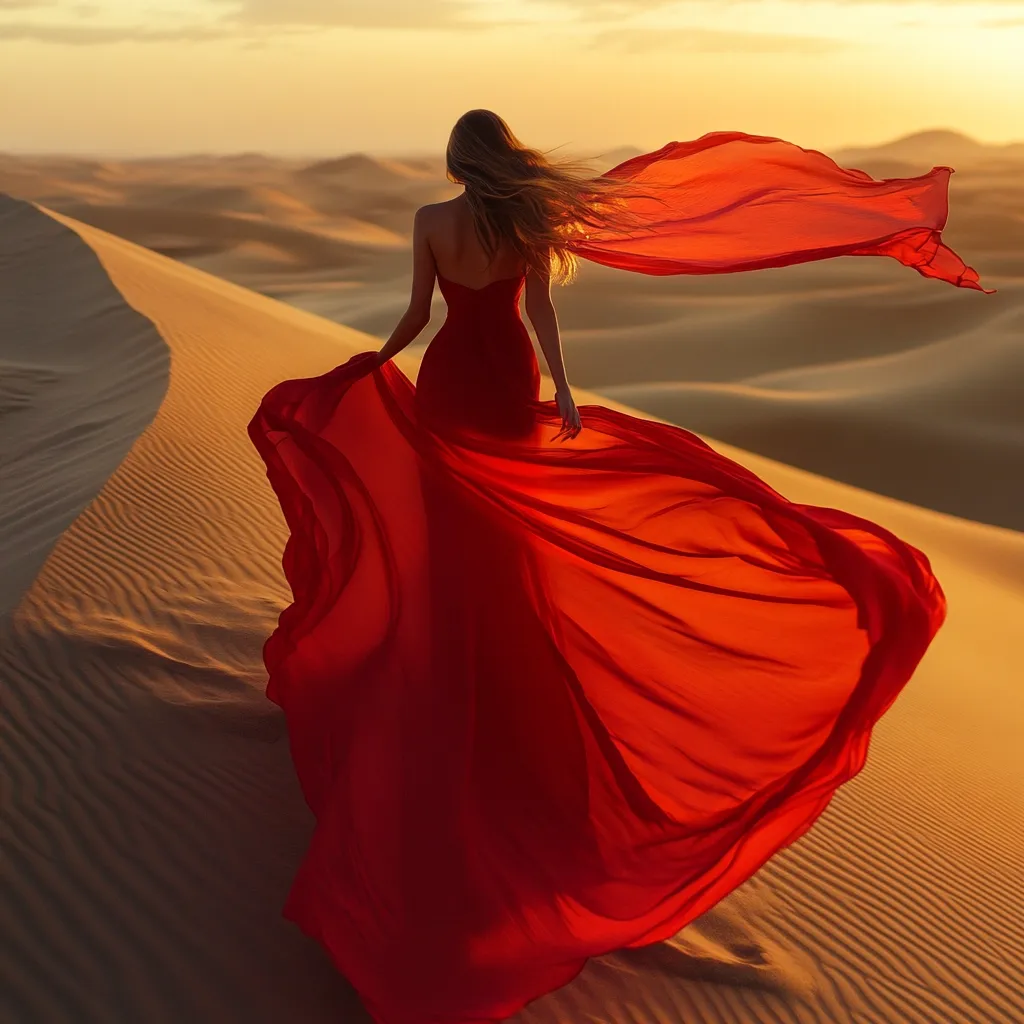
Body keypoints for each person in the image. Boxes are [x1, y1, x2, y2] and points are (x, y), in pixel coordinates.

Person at [248, 110, 985, 1024]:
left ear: (454, 160)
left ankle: (462, 681)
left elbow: (415, 315)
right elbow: (541, 312)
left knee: (457, 546)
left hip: (447, 382)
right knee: (509, 549)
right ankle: (513, 694)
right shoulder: (525, 222)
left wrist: (374, 367)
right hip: (506, 380)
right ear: (505, 158)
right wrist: (560, 387)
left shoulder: (430, 224)